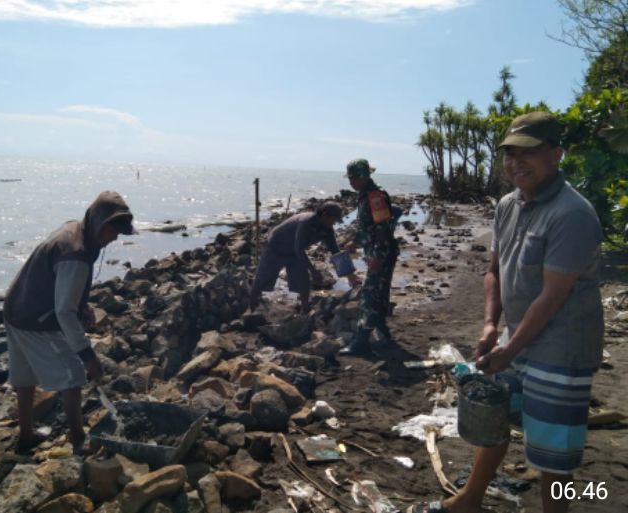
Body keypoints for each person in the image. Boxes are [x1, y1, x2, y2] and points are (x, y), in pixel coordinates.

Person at [409, 112, 604, 513]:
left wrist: (508, 349)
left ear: (556, 154)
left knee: (553, 454)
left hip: (562, 348)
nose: (517, 162)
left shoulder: (572, 214)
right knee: (493, 421)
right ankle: (470, 499)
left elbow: (552, 296)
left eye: (528, 152)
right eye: (510, 153)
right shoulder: (507, 205)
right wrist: (489, 325)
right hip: (516, 337)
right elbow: (494, 271)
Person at [3, 190, 137, 455]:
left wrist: (82, 305)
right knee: (73, 376)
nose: (114, 238)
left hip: (15, 306)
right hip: (35, 318)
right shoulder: (76, 255)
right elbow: (64, 312)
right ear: (98, 222)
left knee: (25, 377)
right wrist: (88, 356)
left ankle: (26, 436)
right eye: (113, 230)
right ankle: (78, 440)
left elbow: (60, 284)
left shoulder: (75, 229)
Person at [249, 201, 355, 314]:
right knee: (263, 278)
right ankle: (251, 308)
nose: (334, 223)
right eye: (333, 220)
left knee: (303, 279)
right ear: (324, 215)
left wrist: (350, 275)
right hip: (276, 246)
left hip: (294, 252)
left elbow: (335, 252)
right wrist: (313, 271)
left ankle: (305, 309)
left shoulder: (327, 229)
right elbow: (299, 249)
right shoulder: (306, 222)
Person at [339, 158, 399, 356]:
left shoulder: (375, 196)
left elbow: (383, 229)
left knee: (369, 295)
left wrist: (377, 258)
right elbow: (367, 225)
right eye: (350, 179)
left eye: (354, 178)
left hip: (381, 252)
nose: (351, 182)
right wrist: (354, 242)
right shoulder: (366, 195)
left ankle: (361, 342)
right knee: (379, 294)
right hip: (377, 251)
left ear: (364, 176)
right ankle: (383, 333)